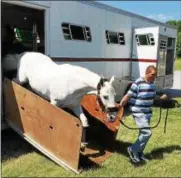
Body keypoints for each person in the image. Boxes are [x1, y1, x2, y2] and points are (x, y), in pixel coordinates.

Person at [120, 65, 168, 163]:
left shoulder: (152, 84)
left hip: (147, 113)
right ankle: (133, 149)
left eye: (155, 75)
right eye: (152, 74)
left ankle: (139, 154)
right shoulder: (138, 82)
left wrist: (161, 97)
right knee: (147, 133)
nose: (154, 77)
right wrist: (120, 107)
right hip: (138, 112)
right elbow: (128, 95)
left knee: (143, 134)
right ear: (147, 73)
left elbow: (153, 95)